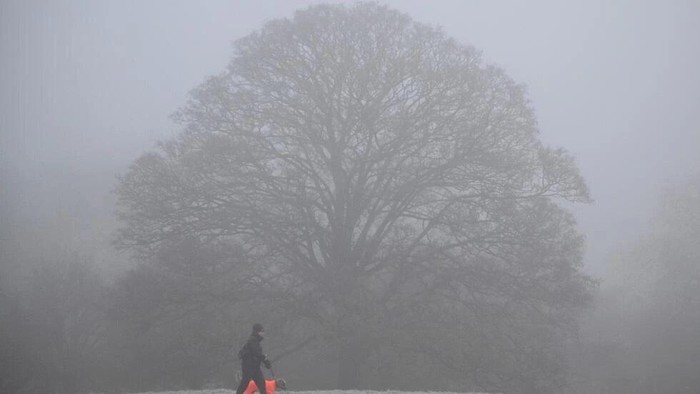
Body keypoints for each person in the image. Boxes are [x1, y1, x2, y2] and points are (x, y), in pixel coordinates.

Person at [236, 323, 272, 394]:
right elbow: (257, 353)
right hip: (249, 366)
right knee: (245, 383)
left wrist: (265, 360)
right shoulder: (252, 340)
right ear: (256, 331)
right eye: (261, 331)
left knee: (261, 384)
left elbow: (257, 354)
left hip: (255, 367)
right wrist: (265, 360)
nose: (263, 333)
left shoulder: (255, 341)